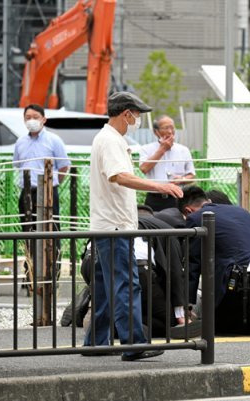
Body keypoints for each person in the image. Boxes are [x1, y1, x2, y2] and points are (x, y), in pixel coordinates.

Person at [84, 91, 182, 361]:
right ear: (126, 113)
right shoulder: (111, 140)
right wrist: (158, 185)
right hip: (116, 226)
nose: (138, 119)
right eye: (137, 114)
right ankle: (134, 343)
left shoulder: (108, 138)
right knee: (127, 285)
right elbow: (120, 176)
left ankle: (96, 341)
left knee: (105, 286)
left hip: (108, 224)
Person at [180, 186, 250, 337]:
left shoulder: (196, 218)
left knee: (216, 326)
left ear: (188, 211)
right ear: (208, 200)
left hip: (236, 285)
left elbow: (192, 263)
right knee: (239, 311)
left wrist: (187, 305)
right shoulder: (240, 212)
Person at [136, 205, 201, 338]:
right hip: (138, 268)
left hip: (91, 262)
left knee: (123, 303)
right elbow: (175, 272)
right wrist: (179, 313)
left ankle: (104, 321)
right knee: (169, 321)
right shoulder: (166, 230)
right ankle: (126, 326)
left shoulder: (121, 222)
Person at [13, 104, 71, 233]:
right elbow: (17, 164)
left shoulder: (54, 140)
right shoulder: (20, 141)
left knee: (51, 228)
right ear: (24, 120)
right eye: (28, 117)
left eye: (35, 117)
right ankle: (30, 253)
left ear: (43, 119)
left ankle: (55, 254)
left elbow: (64, 166)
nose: (31, 120)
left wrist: (53, 183)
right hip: (27, 191)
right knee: (27, 227)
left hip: (47, 190)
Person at [139, 115, 195, 211]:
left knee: (178, 224)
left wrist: (182, 179)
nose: (170, 131)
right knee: (153, 224)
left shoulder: (183, 150)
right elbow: (144, 168)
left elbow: (192, 176)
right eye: (166, 128)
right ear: (156, 131)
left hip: (177, 197)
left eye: (172, 128)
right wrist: (162, 149)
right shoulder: (146, 149)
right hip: (154, 197)